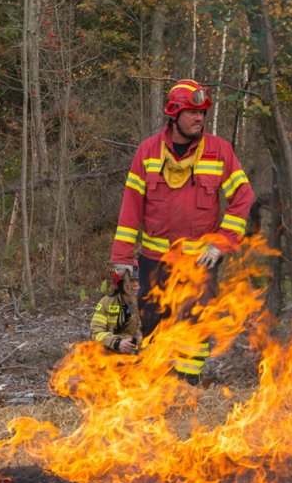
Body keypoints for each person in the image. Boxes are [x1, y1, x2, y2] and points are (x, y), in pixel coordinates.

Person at [110, 79, 254, 384]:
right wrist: (121, 256)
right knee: (152, 325)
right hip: (154, 261)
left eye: (202, 112)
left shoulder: (219, 152)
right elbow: (131, 207)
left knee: (193, 327)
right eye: (191, 112)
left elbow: (243, 197)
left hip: (200, 263)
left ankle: (187, 388)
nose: (199, 118)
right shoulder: (148, 152)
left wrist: (220, 245)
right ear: (173, 114)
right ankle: (155, 384)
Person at [91, 262, 140, 354]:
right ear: (120, 283)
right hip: (112, 352)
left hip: (142, 356)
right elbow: (97, 333)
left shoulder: (151, 304)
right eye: (130, 280)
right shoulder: (106, 303)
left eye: (138, 280)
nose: (135, 284)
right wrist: (118, 343)